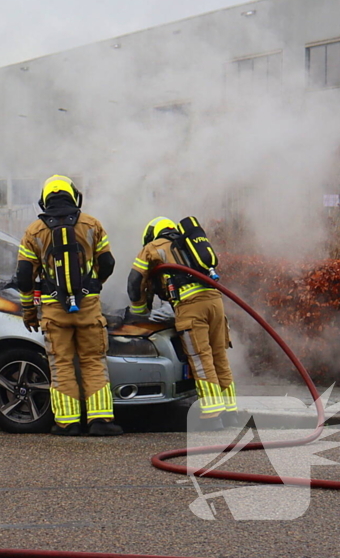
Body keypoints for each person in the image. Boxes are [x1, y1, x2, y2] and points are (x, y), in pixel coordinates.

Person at [15, 175, 122, 436]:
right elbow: (107, 262)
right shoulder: (91, 224)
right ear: (75, 196)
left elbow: (24, 277)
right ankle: (100, 421)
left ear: (44, 200)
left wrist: (29, 311)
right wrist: (93, 285)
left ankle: (67, 422)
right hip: (88, 307)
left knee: (61, 364)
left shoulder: (34, 231)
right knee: (93, 361)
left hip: (53, 310)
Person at [127, 217, 237, 430]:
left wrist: (140, 312)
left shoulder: (153, 248)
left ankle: (212, 415)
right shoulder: (187, 244)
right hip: (215, 302)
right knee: (219, 357)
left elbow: (135, 282)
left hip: (191, 307)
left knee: (201, 360)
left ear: (151, 234)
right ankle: (231, 412)